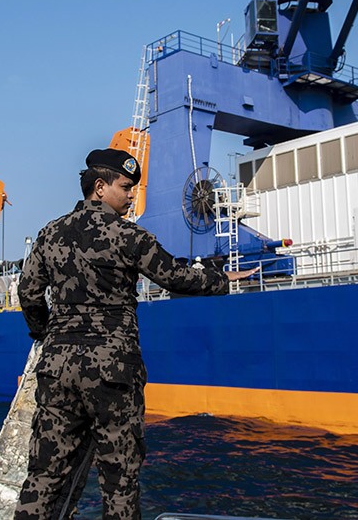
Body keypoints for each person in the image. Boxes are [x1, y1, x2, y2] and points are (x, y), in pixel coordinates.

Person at [15, 148, 259, 520]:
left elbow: (29, 292)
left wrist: (45, 333)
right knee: (119, 480)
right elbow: (175, 277)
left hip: (57, 367)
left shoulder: (50, 234)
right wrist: (221, 280)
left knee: (44, 476)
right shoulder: (129, 235)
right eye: (126, 187)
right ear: (100, 187)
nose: (131, 196)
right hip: (112, 372)